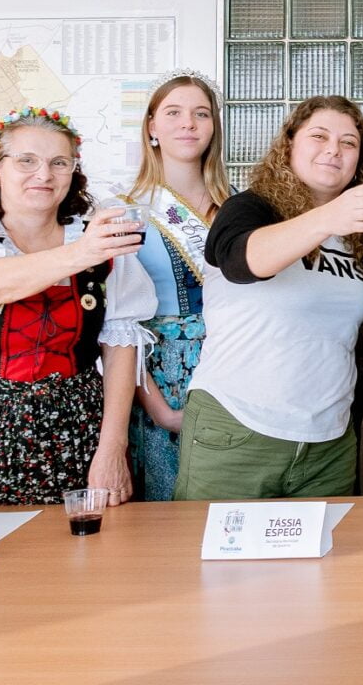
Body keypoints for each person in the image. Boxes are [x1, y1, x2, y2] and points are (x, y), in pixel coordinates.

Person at [0, 107, 155, 505]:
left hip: (78, 424)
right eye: (26, 160)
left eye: (59, 162)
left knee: (86, 553)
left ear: (73, 171)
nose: (44, 175)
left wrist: (112, 448)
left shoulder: (99, 244)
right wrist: (83, 252)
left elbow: (120, 347)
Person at [173, 96, 363, 501]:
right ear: (288, 144)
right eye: (319, 136)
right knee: (209, 560)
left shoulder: (357, 235)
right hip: (237, 428)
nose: (333, 150)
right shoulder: (250, 207)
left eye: (348, 143)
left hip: (328, 441)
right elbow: (242, 263)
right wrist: (328, 217)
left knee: (323, 562)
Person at [123, 71, 232, 501]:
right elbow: (118, 329)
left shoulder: (241, 209)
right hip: (158, 381)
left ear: (213, 127)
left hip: (232, 369)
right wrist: (162, 412)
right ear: (152, 127)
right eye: (173, 112)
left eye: (200, 114)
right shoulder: (125, 212)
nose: (188, 123)